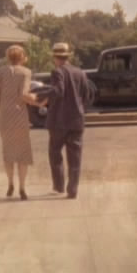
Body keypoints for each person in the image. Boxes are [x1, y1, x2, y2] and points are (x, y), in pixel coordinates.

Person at [0, 45, 43, 201]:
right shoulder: (26, 72)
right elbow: (24, 94)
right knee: (23, 153)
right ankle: (22, 187)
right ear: (22, 57)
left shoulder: (1, 71)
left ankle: (10, 183)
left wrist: (0, 92)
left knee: (8, 151)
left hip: (5, 114)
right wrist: (37, 102)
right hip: (20, 114)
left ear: (8, 57)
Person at [43, 42, 93, 199]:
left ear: (55, 57)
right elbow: (87, 95)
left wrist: (41, 96)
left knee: (55, 153)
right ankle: (73, 189)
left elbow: (58, 91)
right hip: (77, 120)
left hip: (59, 121)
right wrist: (80, 109)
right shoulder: (80, 72)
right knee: (75, 156)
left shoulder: (57, 72)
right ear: (67, 56)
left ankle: (59, 186)